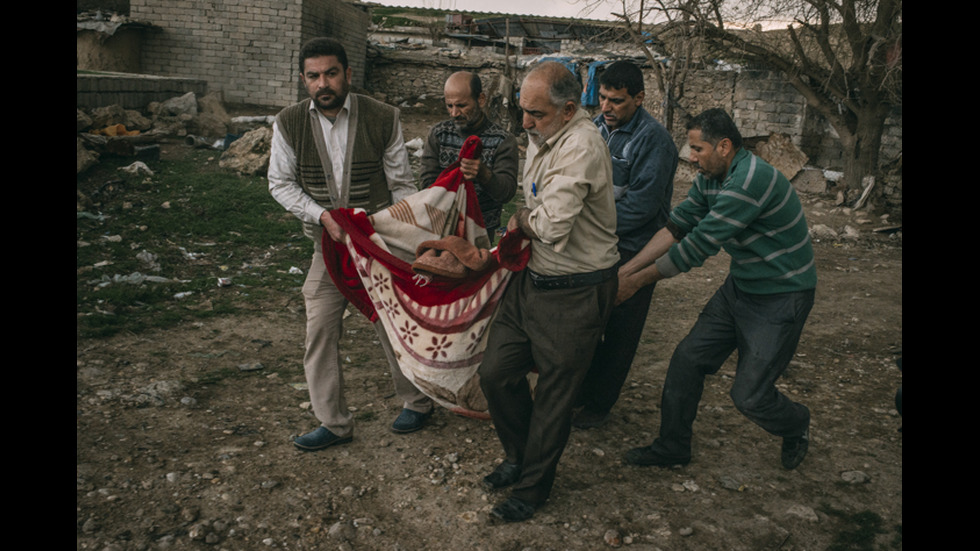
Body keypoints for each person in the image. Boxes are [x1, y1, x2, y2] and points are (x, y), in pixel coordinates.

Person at [617, 108, 817, 470]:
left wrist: (634, 283)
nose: (691, 158)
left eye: (698, 149)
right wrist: (626, 271)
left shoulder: (748, 181)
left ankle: (796, 422)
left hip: (782, 296)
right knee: (687, 360)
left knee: (750, 397)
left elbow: (698, 246)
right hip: (741, 288)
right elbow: (677, 226)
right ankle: (673, 446)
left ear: (724, 146)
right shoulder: (710, 177)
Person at [268, 37, 433, 452]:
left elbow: (401, 186)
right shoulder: (288, 123)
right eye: (313, 76)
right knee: (320, 327)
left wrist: (406, 245)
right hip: (328, 246)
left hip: (378, 243)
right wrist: (321, 215)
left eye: (331, 73)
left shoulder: (382, 117)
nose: (323, 83)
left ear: (348, 74)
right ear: (303, 80)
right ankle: (333, 422)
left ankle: (418, 402)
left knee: (391, 324)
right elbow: (280, 183)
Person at [477, 61, 620, 523]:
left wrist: (520, 220)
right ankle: (519, 456)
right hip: (533, 277)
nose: (525, 123)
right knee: (497, 372)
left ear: (569, 108)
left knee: (556, 396)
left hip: (576, 289)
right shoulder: (545, 136)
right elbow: (536, 201)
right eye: (522, 110)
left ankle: (532, 489)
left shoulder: (581, 145)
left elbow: (550, 222)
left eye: (534, 114)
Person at [573, 60, 678, 429]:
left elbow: (642, 206)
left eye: (616, 101)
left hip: (634, 248)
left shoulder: (655, 140)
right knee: (586, 322)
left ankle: (599, 404)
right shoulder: (597, 127)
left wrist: (587, 223)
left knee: (620, 329)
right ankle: (578, 392)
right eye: (602, 98)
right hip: (595, 244)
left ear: (639, 98)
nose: (606, 107)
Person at [419, 71, 519, 241]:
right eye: (449, 106)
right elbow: (426, 184)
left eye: (462, 106)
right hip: (440, 227)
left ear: (480, 99)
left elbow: (507, 192)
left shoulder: (502, 140)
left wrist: (484, 174)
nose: (454, 113)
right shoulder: (438, 134)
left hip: (481, 231)